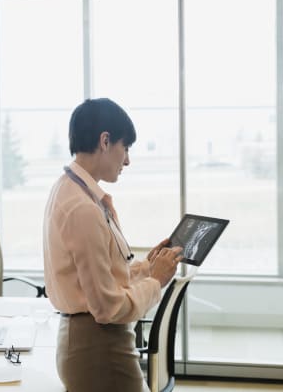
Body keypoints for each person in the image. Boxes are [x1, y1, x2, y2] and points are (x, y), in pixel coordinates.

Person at [43, 98, 183, 392]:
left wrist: (146, 267)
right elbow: (107, 306)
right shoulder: (82, 208)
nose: (128, 160)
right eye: (126, 148)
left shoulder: (71, 191)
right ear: (105, 141)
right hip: (99, 348)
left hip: (90, 342)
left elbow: (101, 277)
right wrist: (157, 281)